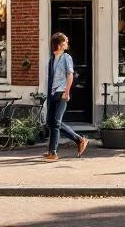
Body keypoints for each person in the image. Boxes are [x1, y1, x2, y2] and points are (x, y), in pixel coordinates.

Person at [45, 32, 89, 161]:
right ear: (59, 44)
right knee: (50, 122)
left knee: (56, 123)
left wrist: (67, 92)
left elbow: (70, 75)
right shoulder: (52, 60)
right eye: (65, 41)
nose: (67, 43)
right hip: (53, 93)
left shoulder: (66, 57)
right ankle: (79, 140)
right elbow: (51, 79)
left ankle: (53, 153)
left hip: (62, 92)